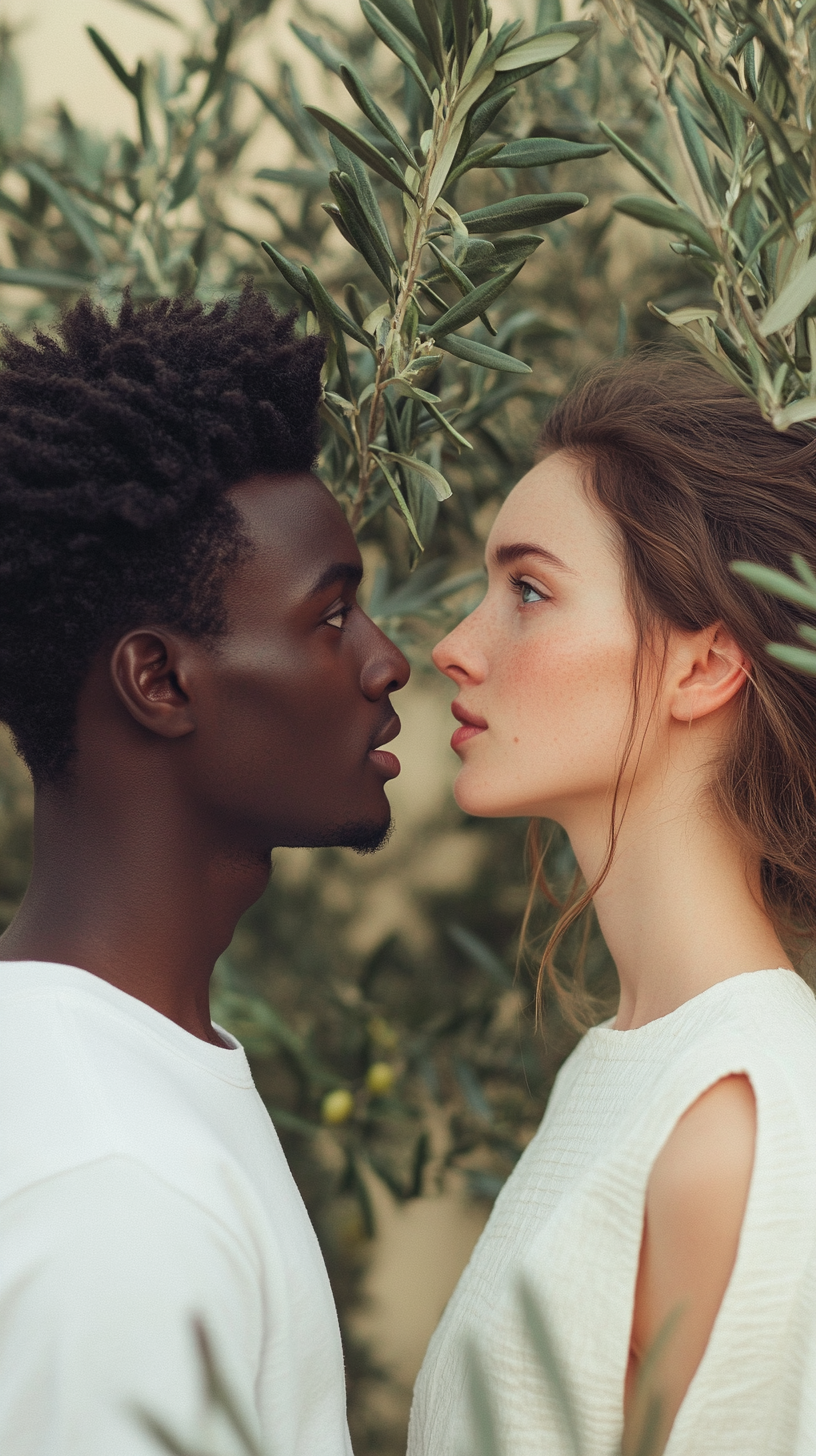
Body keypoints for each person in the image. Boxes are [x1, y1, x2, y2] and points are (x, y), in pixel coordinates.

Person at [0, 286, 409, 1455]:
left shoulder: (109, 1090)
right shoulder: (113, 1186)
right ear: (162, 682)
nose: (389, 663)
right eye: (331, 619)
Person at [410, 349, 816, 1456]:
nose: (453, 646)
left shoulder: (732, 1116)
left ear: (703, 666)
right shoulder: (634, 1067)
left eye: (528, 591)